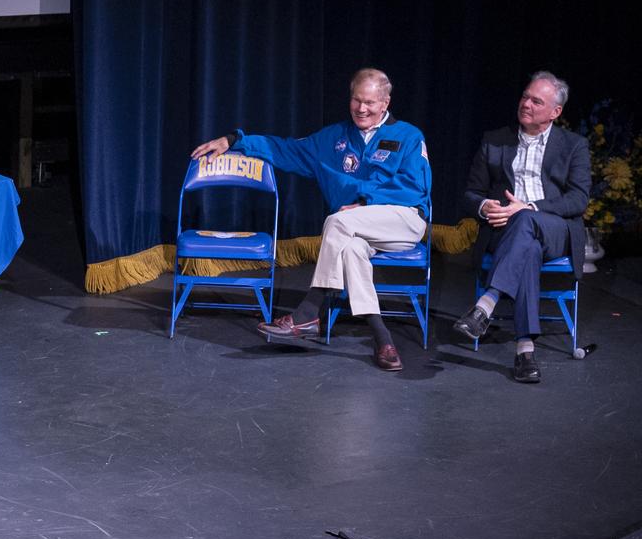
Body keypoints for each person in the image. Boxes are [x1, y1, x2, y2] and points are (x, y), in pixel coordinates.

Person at [191, 68, 431, 371]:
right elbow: (284, 149)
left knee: (338, 221)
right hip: (355, 230)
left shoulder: (409, 136)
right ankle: (383, 339)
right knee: (351, 249)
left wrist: (365, 202)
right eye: (356, 100)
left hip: (404, 220)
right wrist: (234, 140)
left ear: (385, 103)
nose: (361, 108)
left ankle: (308, 311)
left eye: (370, 102)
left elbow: (415, 188)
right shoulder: (332, 139)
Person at [453, 71, 590, 383]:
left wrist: (530, 207)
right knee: (527, 248)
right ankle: (525, 351)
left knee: (526, 219)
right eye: (525, 97)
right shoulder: (495, 140)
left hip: (554, 229)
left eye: (536, 101)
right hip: (505, 230)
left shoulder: (574, 145)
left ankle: (486, 303)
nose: (526, 104)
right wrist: (484, 206)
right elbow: (470, 194)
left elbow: (578, 199)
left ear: (555, 112)